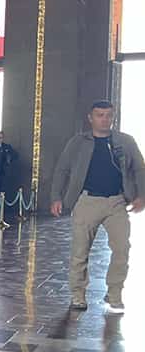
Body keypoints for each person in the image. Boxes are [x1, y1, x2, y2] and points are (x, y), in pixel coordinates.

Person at [50, 100, 145, 313]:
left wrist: (141, 195)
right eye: (100, 115)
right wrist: (57, 197)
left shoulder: (125, 141)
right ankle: (77, 294)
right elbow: (62, 169)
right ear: (90, 118)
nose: (105, 119)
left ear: (113, 117)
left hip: (117, 201)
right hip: (87, 201)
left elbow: (139, 168)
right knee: (80, 251)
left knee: (122, 249)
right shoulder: (78, 142)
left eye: (108, 115)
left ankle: (114, 293)